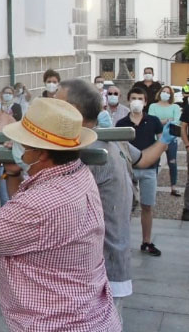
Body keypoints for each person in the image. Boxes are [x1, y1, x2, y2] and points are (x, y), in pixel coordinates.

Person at [0, 98, 120, 332]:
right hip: (88, 316)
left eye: (22, 143)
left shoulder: (42, 203)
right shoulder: (78, 174)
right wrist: (13, 174)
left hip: (57, 325)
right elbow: (25, 220)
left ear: (39, 154)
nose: (15, 146)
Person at [58, 79, 173, 320]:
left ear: (74, 110)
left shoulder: (90, 150)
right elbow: (142, 159)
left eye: (57, 104)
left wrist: (163, 142)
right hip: (110, 262)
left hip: (96, 269)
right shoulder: (111, 139)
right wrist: (163, 143)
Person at [117, 86, 163, 256]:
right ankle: (123, 241)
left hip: (150, 169)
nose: (136, 101)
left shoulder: (154, 121)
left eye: (140, 98)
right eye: (133, 98)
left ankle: (147, 241)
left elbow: (160, 140)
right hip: (128, 169)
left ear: (145, 102)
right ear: (128, 100)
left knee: (147, 206)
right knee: (125, 206)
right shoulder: (121, 124)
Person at [148, 86, 182, 197]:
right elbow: (151, 121)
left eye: (168, 92)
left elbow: (176, 122)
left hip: (171, 138)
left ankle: (173, 187)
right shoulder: (153, 106)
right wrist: (167, 120)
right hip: (155, 138)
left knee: (172, 162)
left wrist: (160, 121)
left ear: (171, 95)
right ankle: (153, 186)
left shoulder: (175, 107)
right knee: (155, 163)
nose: (165, 94)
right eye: (163, 91)